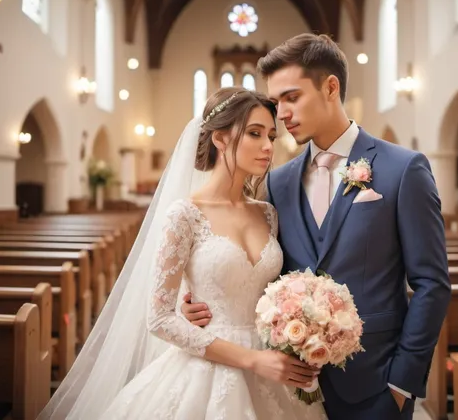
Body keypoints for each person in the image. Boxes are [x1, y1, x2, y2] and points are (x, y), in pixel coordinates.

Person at [182, 34, 452, 419]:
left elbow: (432, 283)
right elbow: (257, 268)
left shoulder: (402, 170)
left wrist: (401, 385)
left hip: (375, 384)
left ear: (330, 87)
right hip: (288, 387)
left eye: (292, 97)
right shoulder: (277, 182)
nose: (282, 113)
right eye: (276, 103)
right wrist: (195, 304)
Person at [38, 87, 326, 419]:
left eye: (271, 136)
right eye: (254, 133)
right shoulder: (184, 214)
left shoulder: (267, 213)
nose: (267, 147)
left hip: (274, 366)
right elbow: (159, 318)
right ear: (220, 139)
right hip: (213, 367)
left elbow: (264, 290)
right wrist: (251, 359)